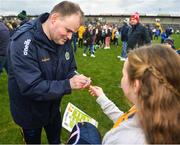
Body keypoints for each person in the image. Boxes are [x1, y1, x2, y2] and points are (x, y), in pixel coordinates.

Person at [8, 1, 91, 144]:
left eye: (73, 32)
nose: (70, 37)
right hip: (30, 113)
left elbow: (69, 67)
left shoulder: (63, 39)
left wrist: (76, 77)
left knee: (55, 140)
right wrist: (68, 84)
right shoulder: (24, 42)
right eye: (68, 30)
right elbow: (32, 86)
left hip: (53, 108)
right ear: (54, 19)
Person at [89, 44, 180, 144]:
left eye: (124, 74)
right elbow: (126, 119)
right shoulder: (157, 111)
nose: (122, 78)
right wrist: (102, 98)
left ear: (136, 85)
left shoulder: (121, 139)